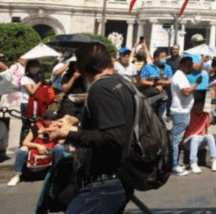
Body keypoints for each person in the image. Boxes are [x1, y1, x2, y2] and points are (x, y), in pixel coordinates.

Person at [43, 42, 136, 213]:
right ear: (110, 61)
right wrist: (75, 121)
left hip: (105, 183)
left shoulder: (101, 89)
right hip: (117, 179)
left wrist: (68, 134)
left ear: (82, 69)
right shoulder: (121, 83)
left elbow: (114, 136)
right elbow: (110, 123)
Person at [7, 109, 66, 187]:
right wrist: (38, 146)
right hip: (36, 151)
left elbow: (62, 142)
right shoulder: (37, 127)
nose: (53, 121)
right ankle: (17, 176)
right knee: (22, 150)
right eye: (50, 119)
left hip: (50, 151)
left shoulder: (59, 127)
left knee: (60, 148)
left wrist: (59, 133)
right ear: (45, 120)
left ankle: (58, 174)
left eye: (55, 119)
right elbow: (25, 142)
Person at [169, 56, 203, 176]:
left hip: (183, 112)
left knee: (177, 140)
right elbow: (186, 92)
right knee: (176, 141)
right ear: (182, 65)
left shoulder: (181, 76)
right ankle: (173, 165)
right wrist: (196, 83)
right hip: (180, 112)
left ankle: (176, 163)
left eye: (191, 64)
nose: (190, 67)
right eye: (188, 65)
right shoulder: (179, 76)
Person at [182, 99, 216, 173]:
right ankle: (193, 163)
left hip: (200, 140)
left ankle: (215, 160)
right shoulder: (189, 115)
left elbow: (206, 129)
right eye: (198, 105)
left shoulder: (206, 115)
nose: (200, 107)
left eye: (201, 105)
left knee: (210, 136)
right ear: (194, 106)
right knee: (195, 137)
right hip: (188, 141)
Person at [138, 48, 173, 116]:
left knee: (159, 118)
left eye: (165, 56)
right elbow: (142, 81)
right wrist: (154, 84)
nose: (164, 59)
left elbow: (170, 80)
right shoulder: (147, 67)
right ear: (156, 58)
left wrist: (162, 83)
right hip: (150, 97)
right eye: (162, 57)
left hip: (163, 98)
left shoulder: (167, 67)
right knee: (149, 116)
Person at [18, 59, 42, 145]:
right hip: (26, 104)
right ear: (28, 68)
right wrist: (40, 83)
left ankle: (30, 143)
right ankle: (22, 145)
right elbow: (31, 91)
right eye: (33, 66)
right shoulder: (24, 79)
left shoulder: (35, 79)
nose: (36, 68)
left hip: (34, 104)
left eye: (37, 66)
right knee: (26, 126)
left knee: (34, 125)